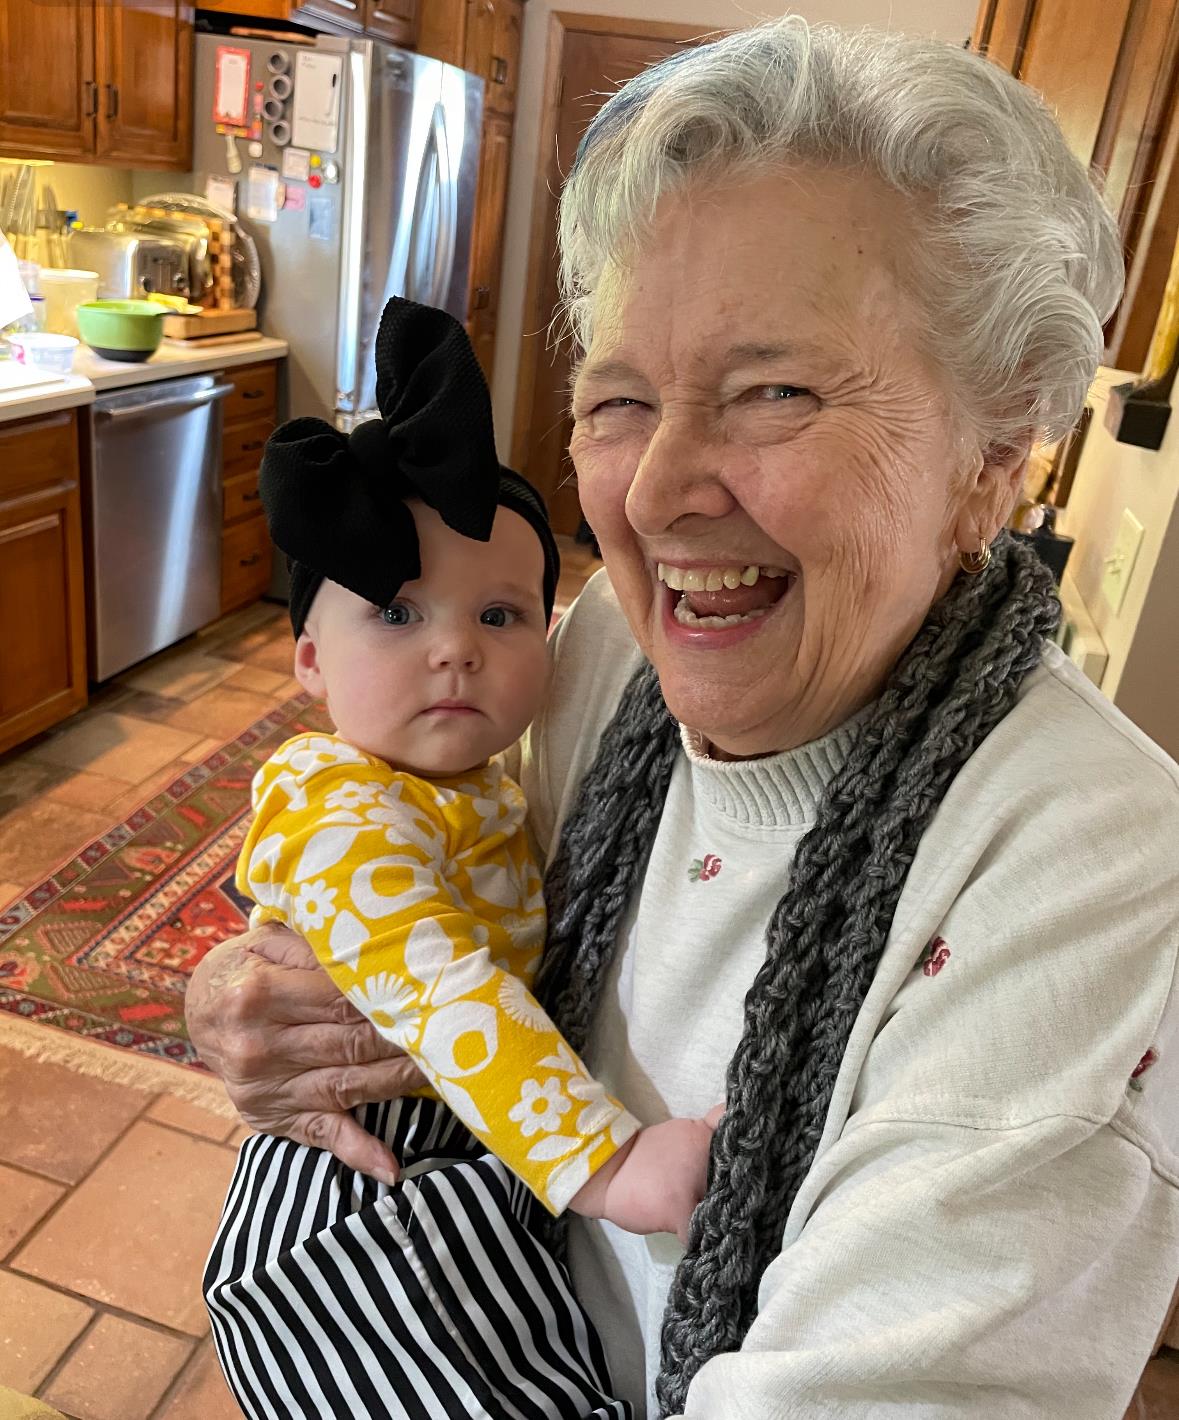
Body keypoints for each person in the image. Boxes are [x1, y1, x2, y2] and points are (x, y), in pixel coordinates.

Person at [187, 18, 1179, 1419]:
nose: (653, 492)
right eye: (619, 400)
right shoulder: (613, 647)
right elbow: (435, 907)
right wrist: (258, 1001)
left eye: (773, 390)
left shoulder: (1093, 872)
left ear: (993, 453)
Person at [204, 298, 719, 1419]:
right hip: (348, 1201)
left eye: (499, 615)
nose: (454, 650)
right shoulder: (335, 805)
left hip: (461, 1158)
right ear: (309, 660)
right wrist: (606, 1162)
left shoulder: (479, 780)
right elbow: (437, 985)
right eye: (397, 615)